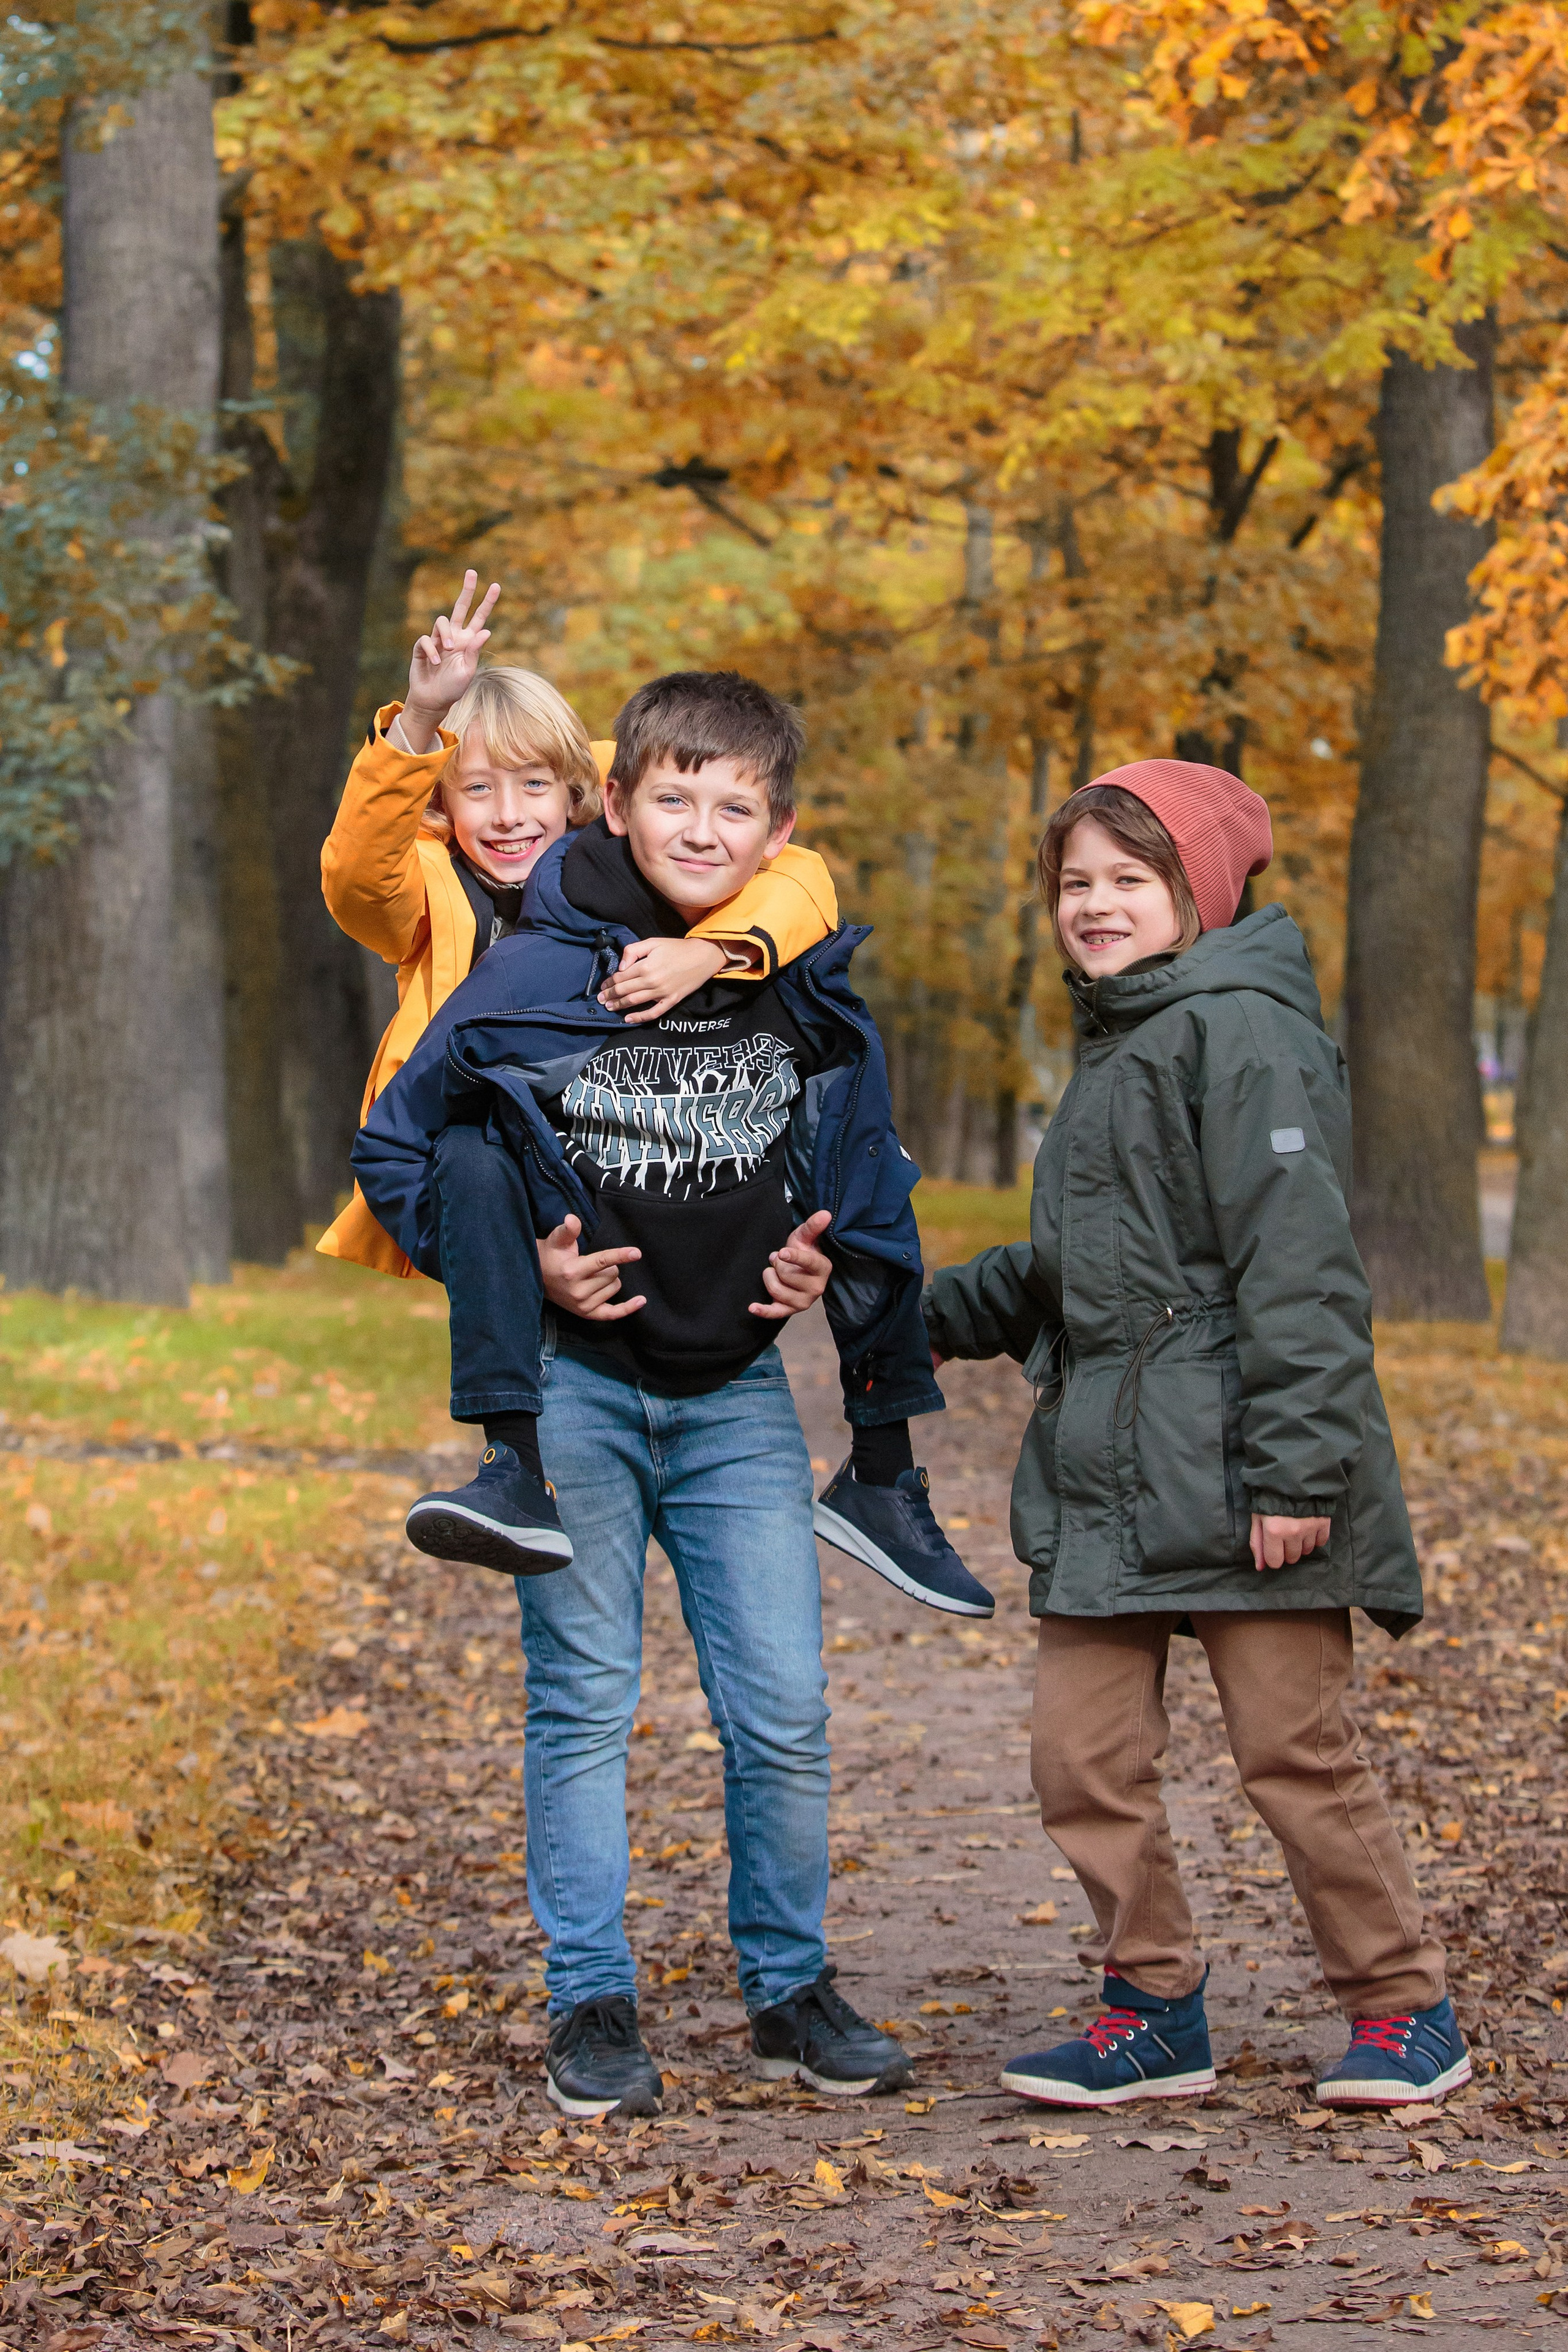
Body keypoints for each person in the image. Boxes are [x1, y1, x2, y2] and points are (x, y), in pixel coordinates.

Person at [350, 669, 985, 2115]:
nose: (700, 827)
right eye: (673, 798)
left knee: (782, 1706)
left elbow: (852, 1138)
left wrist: (818, 1244)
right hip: (576, 1389)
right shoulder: (529, 968)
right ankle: (590, 1999)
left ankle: (787, 1986)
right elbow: (396, 1147)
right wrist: (515, 1262)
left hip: (734, 1392)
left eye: (733, 808)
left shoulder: (795, 971)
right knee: (580, 1703)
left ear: (778, 832)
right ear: (617, 799)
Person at [923, 760, 1471, 2113]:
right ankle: (1151, 2002)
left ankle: (1402, 2007)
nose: (1093, 907)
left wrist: (1298, 1472)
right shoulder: (1120, 1041)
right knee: (1078, 1753)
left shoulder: (1239, 1031)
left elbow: (1302, 1272)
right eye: (1074, 884)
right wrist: (911, 1315)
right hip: (1112, 1468)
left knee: (1293, 1751)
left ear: (1198, 893)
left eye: (1127, 881)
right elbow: (1080, 1268)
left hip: (1242, 1467)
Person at [317, 572, 841, 1282]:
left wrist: (712, 953)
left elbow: (800, 874)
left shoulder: (625, 849)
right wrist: (419, 717)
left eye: (533, 785)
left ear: (578, 793)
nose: (509, 815)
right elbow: (356, 873)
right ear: (440, 801)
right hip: (479, 1144)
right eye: (477, 789)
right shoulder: (430, 888)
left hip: (611, 1138)